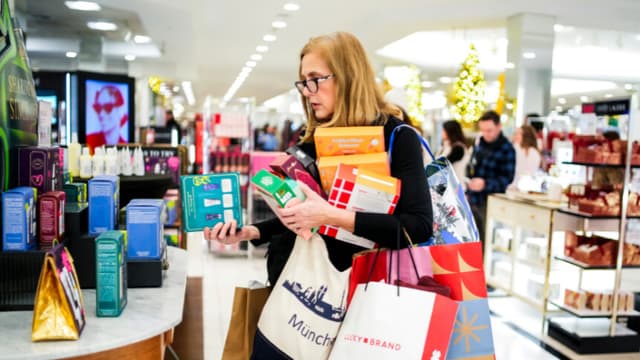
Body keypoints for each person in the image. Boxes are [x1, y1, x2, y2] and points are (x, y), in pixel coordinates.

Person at [204, 31, 432, 287]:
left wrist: (331, 216)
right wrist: (252, 231)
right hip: (296, 288)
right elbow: (305, 211)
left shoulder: (397, 137)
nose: (307, 91)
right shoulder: (314, 135)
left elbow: (418, 226)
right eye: (303, 81)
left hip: (360, 295)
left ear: (348, 77)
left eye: (315, 79)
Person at [466, 110, 515, 246]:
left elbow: (507, 179)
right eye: (483, 130)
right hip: (473, 200)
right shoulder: (479, 145)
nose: (486, 134)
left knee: (487, 242)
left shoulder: (507, 149)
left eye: (489, 130)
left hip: (492, 203)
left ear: (499, 127)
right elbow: (471, 168)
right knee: (470, 241)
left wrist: (485, 184)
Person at [86, 84, 129, 149]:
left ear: (120, 111)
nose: (101, 114)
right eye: (98, 108)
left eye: (107, 108)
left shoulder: (126, 146)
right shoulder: (89, 141)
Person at [436, 120, 470, 186]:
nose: (442, 133)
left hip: (455, 187)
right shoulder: (445, 146)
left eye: (444, 130)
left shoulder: (458, 148)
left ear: (450, 132)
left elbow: (444, 164)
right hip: (447, 186)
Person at [509, 124, 542, 190]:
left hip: (518, 187)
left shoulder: (532, 152)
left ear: (526, 136)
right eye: (515, 133)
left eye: (518, 134)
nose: (515, 136)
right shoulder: (515, 148)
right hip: (519, 187)